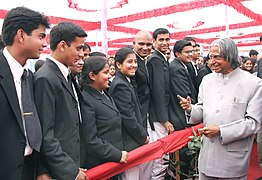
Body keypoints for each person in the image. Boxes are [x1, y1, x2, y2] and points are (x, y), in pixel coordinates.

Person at [178, 37, 262, 179]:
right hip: (207, 158)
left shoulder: (253, 83)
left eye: (217, 57)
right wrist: (190, 109)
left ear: (230, 56)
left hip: (233, 160)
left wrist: (221, 131)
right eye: (210, 57)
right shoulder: (207, 80)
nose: (211, 61)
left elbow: (253, 123)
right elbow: (203, 110)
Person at [0, 6, 50, 180]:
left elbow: (34, 127)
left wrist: (41, 169)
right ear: (21, 35)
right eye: (41, 36)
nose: (45, 44)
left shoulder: (28, 77)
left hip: (29, 169)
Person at [34, 22, 87, 180]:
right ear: (63, 45)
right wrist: (70, 170)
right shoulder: (46, 78)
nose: (82, 54)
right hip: (60, 170)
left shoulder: (66, 74)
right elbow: (45, 135)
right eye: (78, 48)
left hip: (74, 162)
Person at [79, 56, 128, 174]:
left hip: (113, 163)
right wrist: (117, 154)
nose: (110, 75)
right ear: (92, 76)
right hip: (100, 165)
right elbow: (91, 140)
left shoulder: (104, 93)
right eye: (105, 72)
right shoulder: (86, 99)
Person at [109, 47, 149, 180]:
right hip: (129, 143)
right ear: (118, 65)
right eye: (129, 62)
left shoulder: (126, 81)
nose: (134, 65)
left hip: (133, 141)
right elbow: (128, 118)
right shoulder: (120, 85)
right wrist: (143, 136)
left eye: (135, 62)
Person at [147, 28, 174, 179]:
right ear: (154, 41)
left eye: (167, 40)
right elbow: (158, 90)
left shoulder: (161, 57)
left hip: (159, 115)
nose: (165, 43)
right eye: (161, 40)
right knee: (160, 156)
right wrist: (164, 120)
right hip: (158, 118)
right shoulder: (156, 59)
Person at [168, 40, 197, 179]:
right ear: (177, 53)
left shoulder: (183, 65)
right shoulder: (177, 68)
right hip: (180, 113)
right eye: (187, 52)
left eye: (192, 51)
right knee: (184, 151)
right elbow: (184, 93)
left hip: (183, 111)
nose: (190, 55)